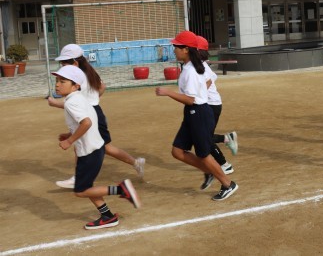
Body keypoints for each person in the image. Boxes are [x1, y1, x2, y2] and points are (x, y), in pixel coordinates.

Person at [53, 65, 140, 230]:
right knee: (88, 186)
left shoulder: (71, 103)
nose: (57, 84)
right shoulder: (79, 98)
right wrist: (69, 133)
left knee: (80, 191)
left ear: (75, 85)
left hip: (89, 152)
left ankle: (121, 190)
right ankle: (107, 216)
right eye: (57, 80)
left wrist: (69, 140)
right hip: (95, 148)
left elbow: (86, 123)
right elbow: (86, 122)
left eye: (62, 81)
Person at [155, 31, 238, 201]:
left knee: (204, 154)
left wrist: (168, 92)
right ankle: (209, 171)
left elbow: (191, 99)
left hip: (199, 112)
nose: (174, 49)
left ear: (186, 49)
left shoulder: (191, 71)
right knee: (177, 151)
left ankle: (228, 183)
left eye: (176, 46)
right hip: (193, 113)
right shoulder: (190, 66)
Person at [48, 44, 145, 189]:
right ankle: (136, 163)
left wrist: (55, 103)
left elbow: (76, 105)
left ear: (75, 63)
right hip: (95, 111)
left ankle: (79, 178)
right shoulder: (88, 72)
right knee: (103, 147)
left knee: (95, 146)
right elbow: (102, 87)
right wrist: (94, 99)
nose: (63, 67)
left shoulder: (78, 79)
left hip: (91, 114)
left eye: (65, 63)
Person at [196, 36, 238, 191]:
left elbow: (207, 82)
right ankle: (226, 140)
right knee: (203, 137)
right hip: (208, 105)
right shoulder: (198, 65)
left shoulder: (202, 66)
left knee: (204, 138)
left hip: (212, 106)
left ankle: (224, 164)